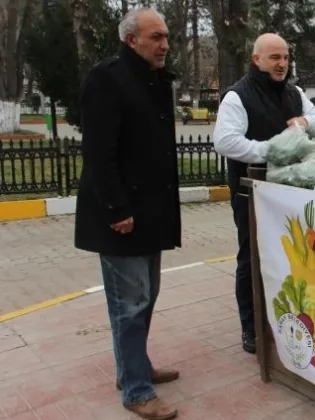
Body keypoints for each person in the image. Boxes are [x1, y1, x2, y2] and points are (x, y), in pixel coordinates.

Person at [74, 7, 180, 420]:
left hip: (150, 214)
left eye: (166, 36)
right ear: (131, 39)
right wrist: (116, 208)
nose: (164, 45)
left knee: (145, 297)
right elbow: (99, 154)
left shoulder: (154, 81)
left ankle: (135, 368)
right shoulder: (108, 79)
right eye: (156, 37)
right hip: (121, 217)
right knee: (130, 304)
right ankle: (137, 390)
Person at [213, 33, 315, 354]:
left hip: (289, 195)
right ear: (256, 60)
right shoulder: (237, 97)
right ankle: (251, 327)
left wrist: (304, 121)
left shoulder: (293, 93)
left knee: (289, 257)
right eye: (275, 58)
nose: (282, 64)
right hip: (251, 194)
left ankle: (284, 318)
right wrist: (271, 151)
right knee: (251, 258)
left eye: (286, 58)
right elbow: (224, 141)